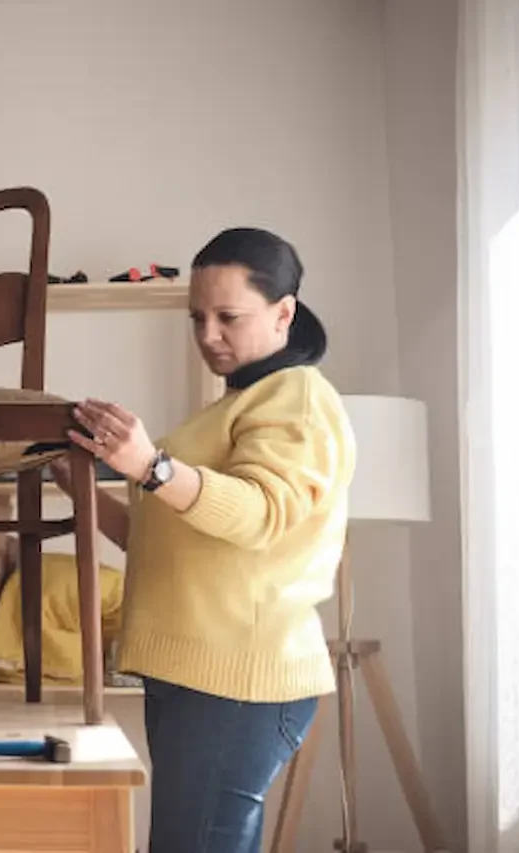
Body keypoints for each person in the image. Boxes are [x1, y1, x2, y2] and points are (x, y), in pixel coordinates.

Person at [51, 227, 356, 853]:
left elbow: (262, 513)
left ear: (284, 313)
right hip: (198, 679)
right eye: (197, 318)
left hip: (238, 684)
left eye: (228, 317)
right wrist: (85, 490)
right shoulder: (234, 405)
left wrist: (151, 466)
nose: (208, 335)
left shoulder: (296, 398)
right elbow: (163, 542)